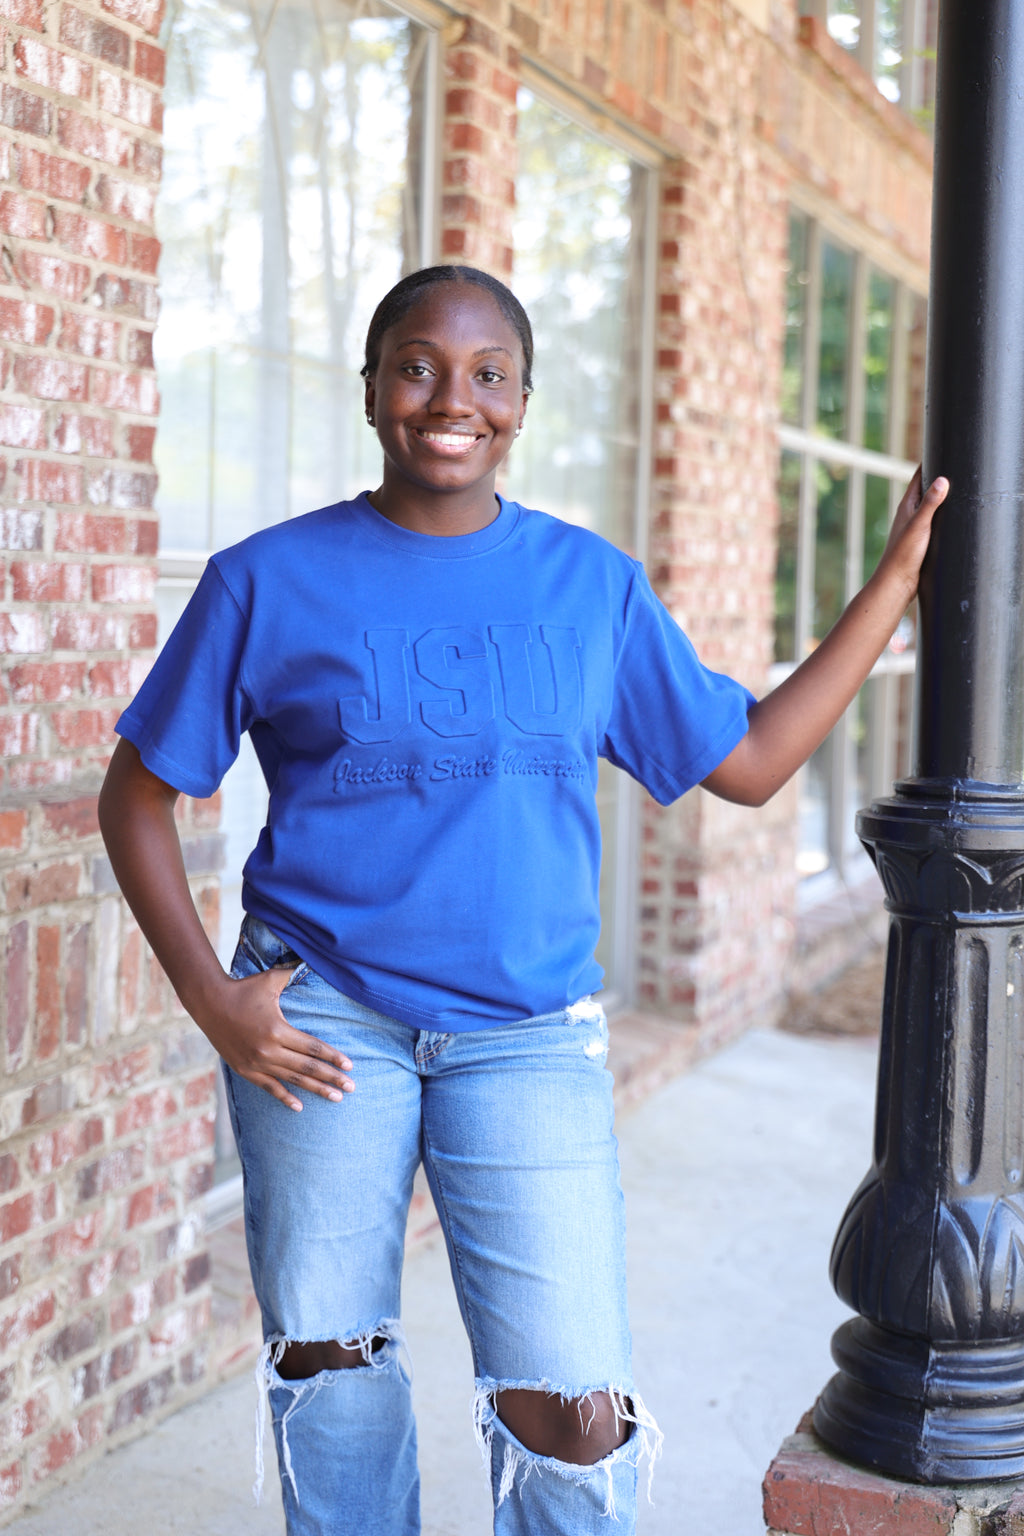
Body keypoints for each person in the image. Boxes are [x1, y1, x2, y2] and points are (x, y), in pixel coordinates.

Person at [98, 263, 947, 1536]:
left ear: (523, 401)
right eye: (419, 367)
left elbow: (755, 764)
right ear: (374, 390)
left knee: (571, 1400)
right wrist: (214, 1003)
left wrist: (888, 591)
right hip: (321, 1022)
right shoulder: (264, 580)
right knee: (331, 1372)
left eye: (487, 373)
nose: (453, 398)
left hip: (528, 1033)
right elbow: (137, 796)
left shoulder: (587, 589)